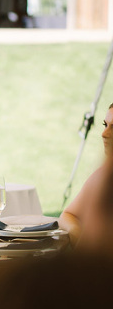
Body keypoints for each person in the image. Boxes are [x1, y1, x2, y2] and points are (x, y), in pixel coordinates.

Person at [59, 102, 113, 245]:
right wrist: (82, 241)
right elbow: (68, 215)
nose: (104, 134)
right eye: (105, 125)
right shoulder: (102, 176)